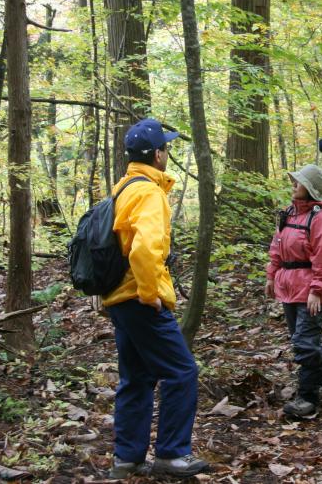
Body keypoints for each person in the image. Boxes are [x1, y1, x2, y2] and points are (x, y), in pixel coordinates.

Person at [102, 118, 209, 479]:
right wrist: (150, 295)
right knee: (182, 371)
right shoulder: (149, 192)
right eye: (166, 147)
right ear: (158, 154)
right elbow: (145, 249)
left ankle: (127, 458)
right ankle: (171, 455)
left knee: (136, 376)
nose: (168, 153)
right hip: (139, 296)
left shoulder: (123, 187)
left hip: (118, 297)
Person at [266, 164, 322, 417]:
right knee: (305, 341)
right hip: (288, 285)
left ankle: (308, 399)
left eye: (300, 181)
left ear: (312, 188)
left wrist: (317, 289)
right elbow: (277, 245)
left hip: (310, 290)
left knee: (304, 343)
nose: (294, 184)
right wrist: (271, 275)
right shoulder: (288, 213)